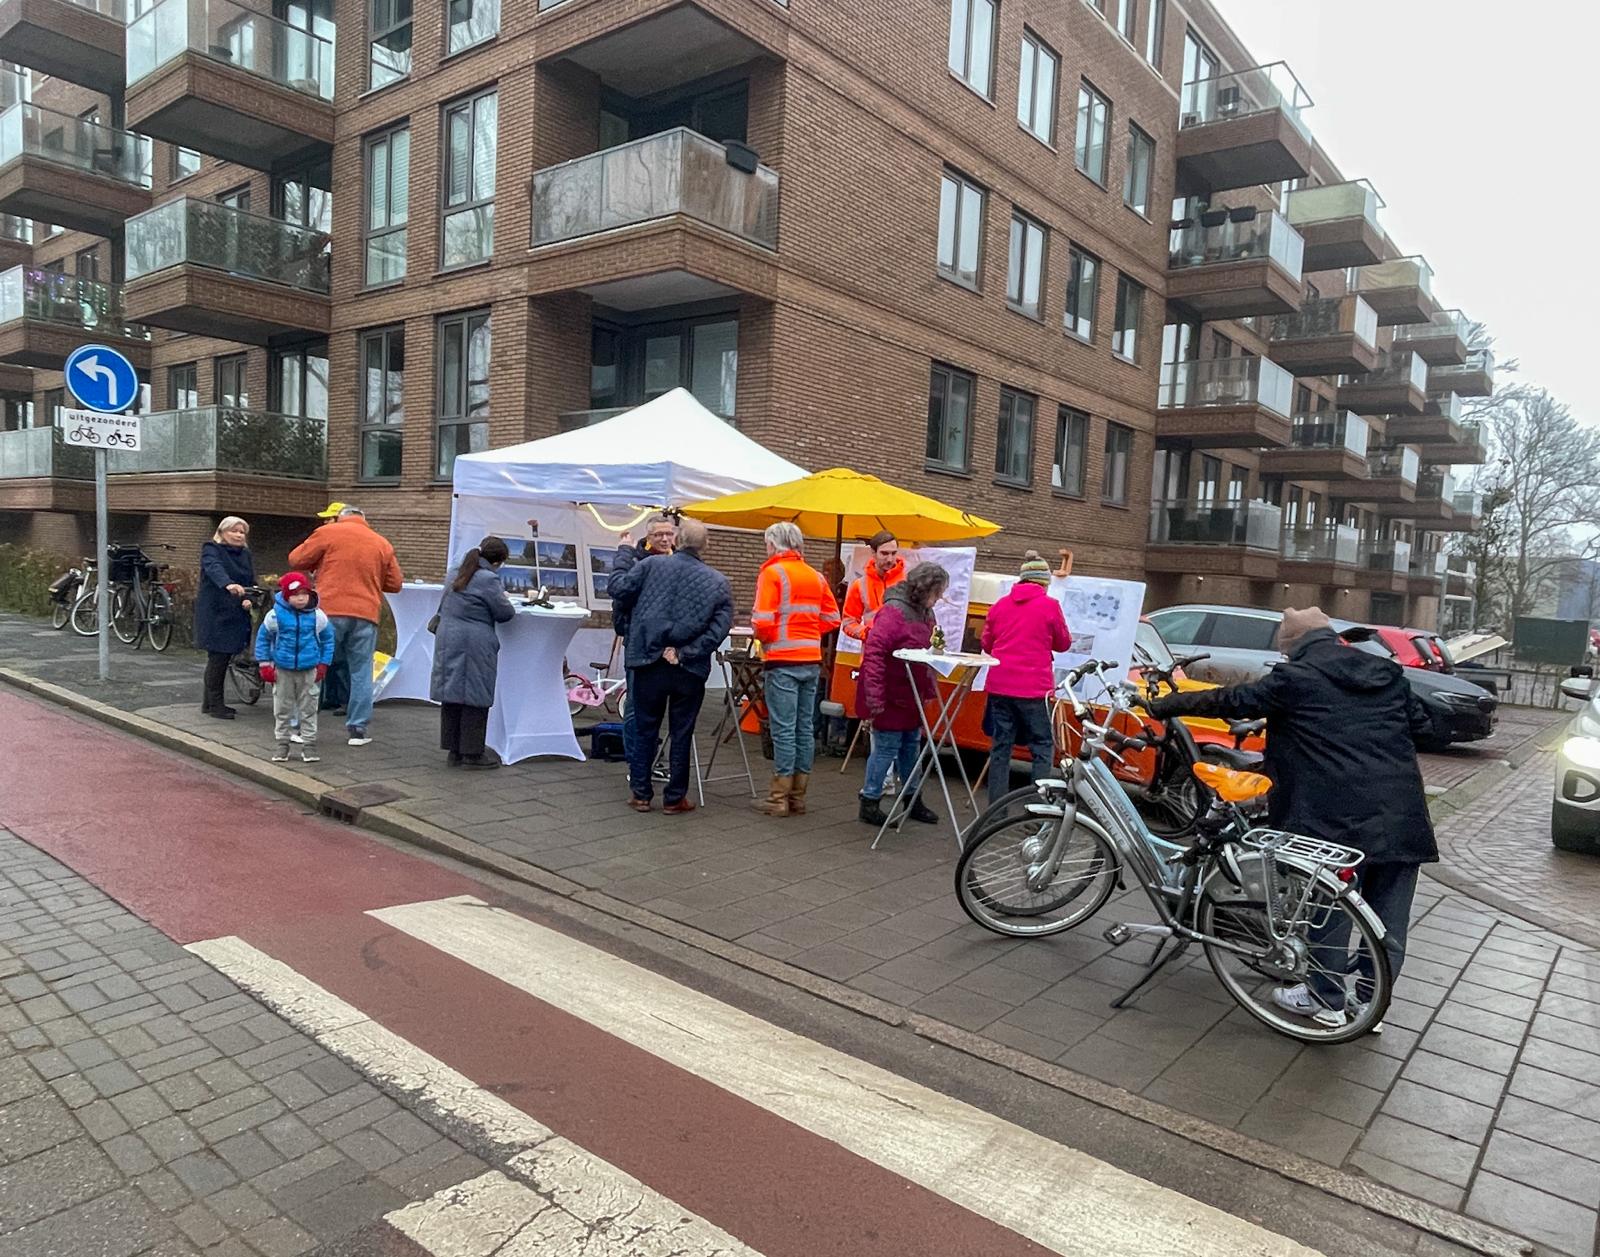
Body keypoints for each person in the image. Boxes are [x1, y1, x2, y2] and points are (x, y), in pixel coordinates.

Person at [1145, 606, 1439, 1030]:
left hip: (1332, 814)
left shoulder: (1294, 678)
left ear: (1292, 647)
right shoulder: (1385, 673)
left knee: (1329, 908)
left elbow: (1229, 700)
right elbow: (1422, 724)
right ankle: (1371, 1007)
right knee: (1389, 919)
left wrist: (1165, 706)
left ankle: (1326, 1000)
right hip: (1400, 813)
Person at [609, 517, 732, 814]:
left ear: (676, 539)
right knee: (682, 731)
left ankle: (640, 793)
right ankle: (675, 797)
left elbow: (619, 590)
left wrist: (624, 553)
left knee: (644, 728)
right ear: (706, 544)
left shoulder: (649, 566)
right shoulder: (718, 582)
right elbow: (719, 628)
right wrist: (686, 652)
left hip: (647, 659)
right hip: (687, 668)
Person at [287, 505, 404, 747]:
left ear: (341, 518)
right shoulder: (382, 543)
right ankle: (358, 730)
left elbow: (296, 559)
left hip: (328, 611)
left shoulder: (328, 532)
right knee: (361, 671)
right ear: (364, 519)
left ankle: (299, 727)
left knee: (315, 666)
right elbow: (395, 584)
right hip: (366, 614)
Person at [750, 522, 841, 817]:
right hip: (810, 661)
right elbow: (832, 618)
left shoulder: (772, 573)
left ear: (774, 545)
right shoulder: (816, 576)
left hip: (782, 662)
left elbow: (762, 623)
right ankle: (798, 797)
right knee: (804, 729)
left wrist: (772, 638)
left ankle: (778, 798)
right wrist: (808, 634)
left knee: (784, 730)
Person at [857, 563, 947, 826]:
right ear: (925, 589)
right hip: (890, 693)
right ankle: (870, 801)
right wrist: (874, 697)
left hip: (911, 693)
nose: (940, 597)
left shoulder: (926, 612)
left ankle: (912, 798)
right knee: (886, 748)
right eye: (938, 592)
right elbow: (874, 654)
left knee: (911, 746)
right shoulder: (894, 612)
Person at [981, 551, 1071, 804]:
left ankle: (997, 809)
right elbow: (1063, 643)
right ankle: (1037, 806)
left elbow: (988, 644)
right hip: (1034, 689)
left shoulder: (999, 606)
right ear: (1043, 582)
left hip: (1000, 686)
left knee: (1001, 748)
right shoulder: (1050, 606)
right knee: (1041, 747)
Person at [431, 537, 516, 770]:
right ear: (497, 561)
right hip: (474, 641)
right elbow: (504, 613)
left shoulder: (456, 572)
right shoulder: (488, 579)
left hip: (448, 637)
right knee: (475, 695)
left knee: (452, 693)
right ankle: (473, 753)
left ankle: (453, 751)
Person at [610, 515, 677, 768]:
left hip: (670, 647)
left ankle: (653, 758)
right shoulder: (637, 561)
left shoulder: (679, 560)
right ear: (648, 537)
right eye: (658, 534)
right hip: (640, 644)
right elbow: (620, 595)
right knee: (637, 706)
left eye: (668, 534)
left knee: (660, 707)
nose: (664, 538)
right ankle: (637, 762)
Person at [255, 571, 334, 763]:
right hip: (283, 669)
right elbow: (262, 639)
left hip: (309, 669)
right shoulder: (275, 616)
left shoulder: (318, 616)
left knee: (309, 707)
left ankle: (309, 744)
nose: (301, 599)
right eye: (296, 595)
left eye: (304, 594)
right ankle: (282, 744)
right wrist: (264, 664)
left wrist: (324, 663)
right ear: (286, 596)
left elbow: (328, 639)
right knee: (282, 708)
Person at [196, 516, 257, 721]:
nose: (239, 535)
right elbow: (214, 568)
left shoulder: (245, 554)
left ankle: (209, 703)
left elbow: (249, 580)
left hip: (235, 612)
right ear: (222, 533)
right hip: (216, 612)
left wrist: (248, 598)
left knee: (222, 658)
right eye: (235, 531)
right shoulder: (212, 549)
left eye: (242, 532)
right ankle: (215, 706)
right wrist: (227, 584)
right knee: (218, 658)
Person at [841, 530, 905, 643]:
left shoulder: (907, 582)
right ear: (873, 553)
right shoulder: (860, 585)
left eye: (893, 553)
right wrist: (867, 633)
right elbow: (848, 622)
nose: (890, 559)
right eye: (884, 553)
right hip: (872, 651)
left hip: (900, 652)